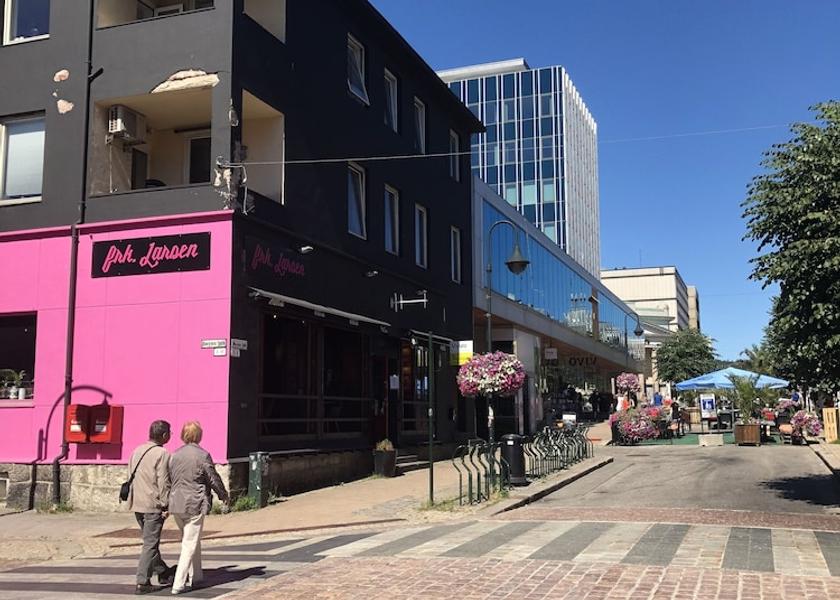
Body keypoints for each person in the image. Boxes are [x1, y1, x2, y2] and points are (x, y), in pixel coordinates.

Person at [168, 421, 229, 595]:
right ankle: (179, 583)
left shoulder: (175, 455)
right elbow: (212, 477)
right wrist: (223, 494)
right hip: (195, 502)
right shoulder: (202, 455)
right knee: (189, 543)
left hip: (177, 502)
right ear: (199, 435)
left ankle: (197, 576)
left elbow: (169, 478)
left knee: (191, 539)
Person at [128, 420, 174, 595]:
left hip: (137, 503)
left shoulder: (136, 451)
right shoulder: (162, 454)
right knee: (150, 544)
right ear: (164, 435)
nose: (171, 435)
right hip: (152, 504)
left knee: (149, 542)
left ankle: (163, 572)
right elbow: (163, 481)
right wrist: (165, 504)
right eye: (170, 432)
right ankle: (143, 581)